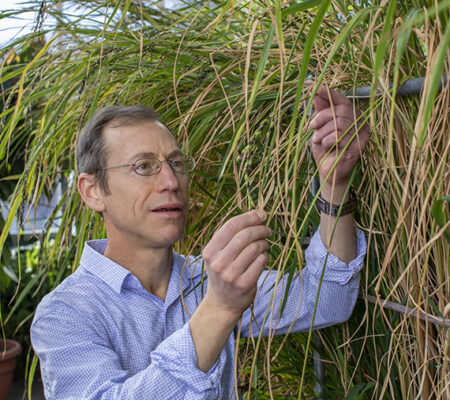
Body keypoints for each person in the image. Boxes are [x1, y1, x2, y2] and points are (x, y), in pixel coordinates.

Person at [30, 86, 370, 399]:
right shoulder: (64, 312)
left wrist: (334, 184)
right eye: (143, 166)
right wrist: (219, 310)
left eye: (176, 163)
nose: (170, 181)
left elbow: (329, 299)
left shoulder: (206, 279)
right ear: (92, 191)